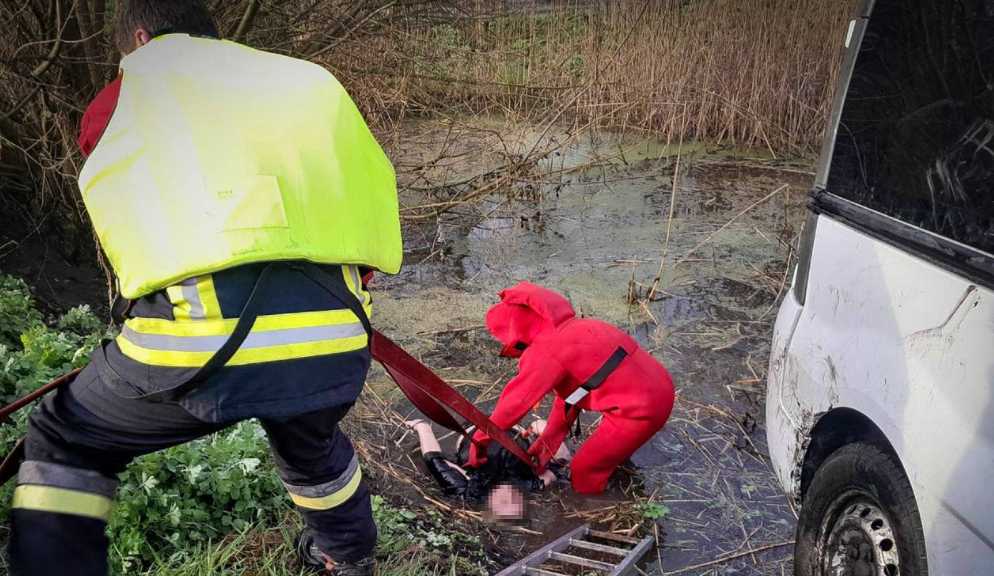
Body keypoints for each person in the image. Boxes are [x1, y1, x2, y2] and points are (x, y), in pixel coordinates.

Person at [7, 2, 401, 575]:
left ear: (141, 38)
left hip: (201, 343)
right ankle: (349, 559)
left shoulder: (130, 94)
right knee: (310, 443)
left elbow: (138, 213)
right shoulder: (305, 84)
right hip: (336, 332)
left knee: (66, 436)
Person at [467, 282, 675, 494]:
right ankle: (616, 467)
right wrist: (548, 443)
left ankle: (593, 510)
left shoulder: (546, 351)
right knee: (606, 455)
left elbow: (514, 404)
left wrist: (480, 441)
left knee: (584, 470)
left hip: (640, 410)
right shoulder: (580, 327)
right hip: (659, 386)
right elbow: (574, 395)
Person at [405, 419, 569, 520]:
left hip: (473, 427)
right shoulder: (529, 484)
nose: (510, 496)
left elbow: (434, 459)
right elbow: (562, 461)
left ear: (489, 503)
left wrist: (422, 427)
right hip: (513, 427)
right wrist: (542, 428)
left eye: (504, 502)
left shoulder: (469, 490)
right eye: (516, 501)